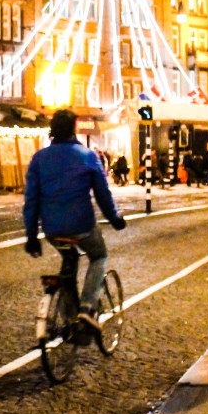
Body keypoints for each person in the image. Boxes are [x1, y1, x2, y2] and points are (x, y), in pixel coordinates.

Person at [23, 109, 127, 332]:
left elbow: (31, 200)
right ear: (74, 128)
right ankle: (87, 308)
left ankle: (70, 319)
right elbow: (102, 194)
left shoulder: (39, 159)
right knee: (99, 256)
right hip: (82, 226)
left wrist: (31, 236)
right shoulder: (87, 156)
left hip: (52, 229)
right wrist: (114, 218)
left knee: (68, 263)